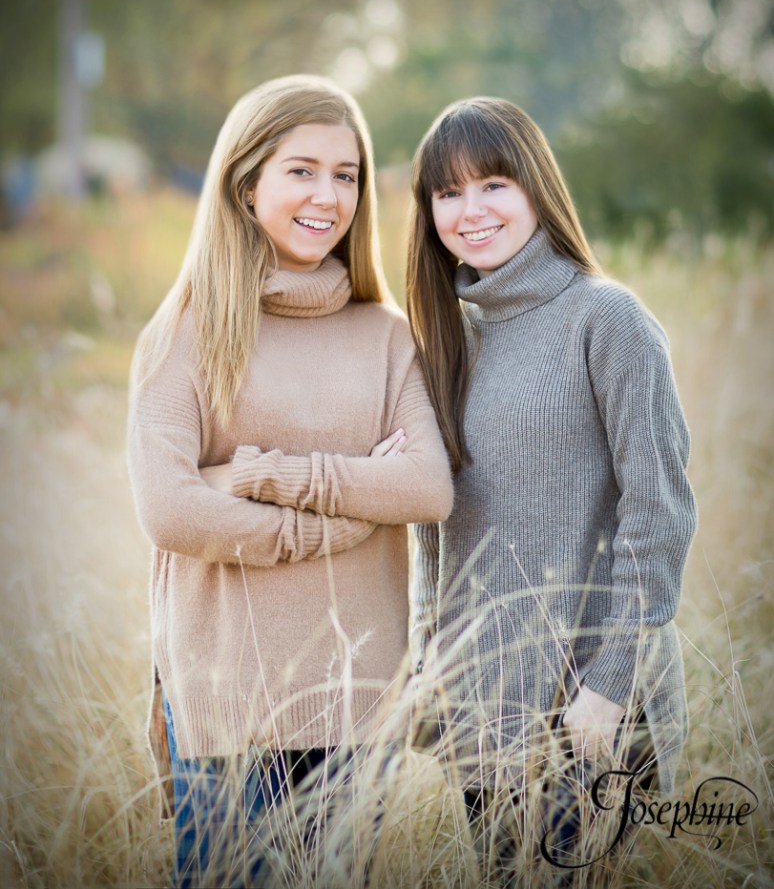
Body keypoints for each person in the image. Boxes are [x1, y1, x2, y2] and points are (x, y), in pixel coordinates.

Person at [127, 74, 453, 888]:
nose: (328, 194)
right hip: (227, 698)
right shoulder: (186, 332)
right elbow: (170, 508)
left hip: (356, 695)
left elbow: (425, 488)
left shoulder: (384, 335)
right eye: (301, 169)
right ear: (247, 184)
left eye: (345, 174)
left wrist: (256, 475)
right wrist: (340, 518)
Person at [405, 97, 697, 884]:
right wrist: (429, 657)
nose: (471, 211)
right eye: (447, 192)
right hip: (482, 701)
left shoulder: (607, 319)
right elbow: (440, 529)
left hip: (590, 705)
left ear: (536, 186)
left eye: (493, 184)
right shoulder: (446, 334)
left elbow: (659, 513)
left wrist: (609, 683)